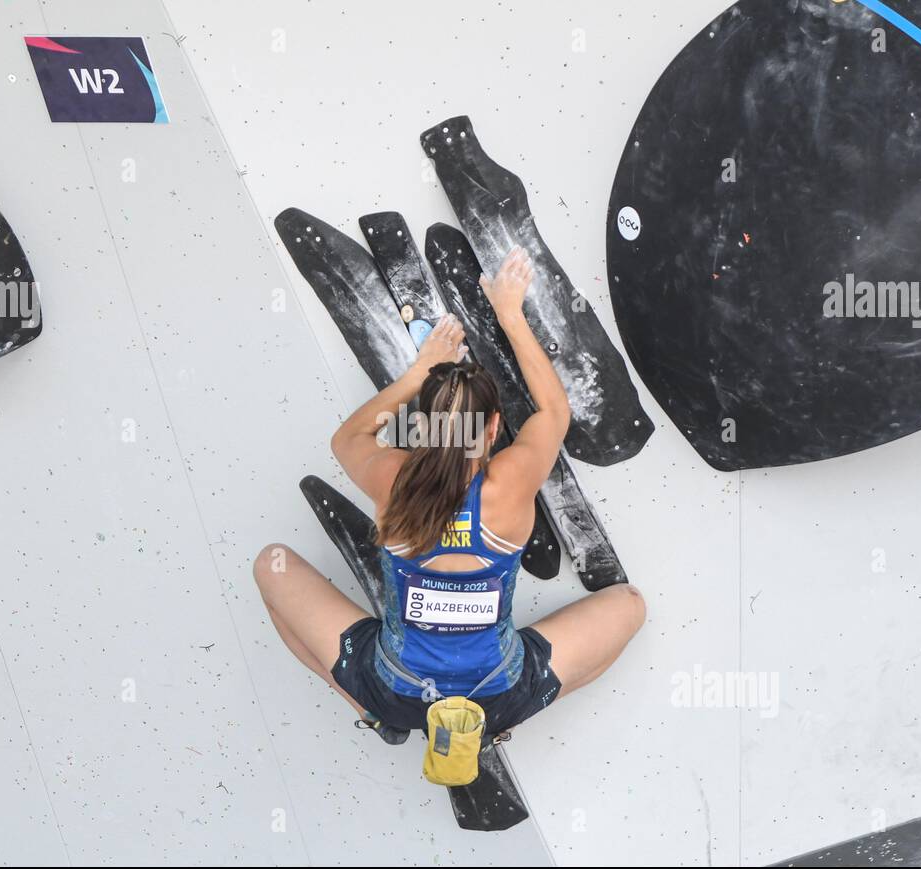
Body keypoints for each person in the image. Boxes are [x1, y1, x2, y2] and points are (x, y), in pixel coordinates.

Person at [254, 247, 646, 739]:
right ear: (494, 429)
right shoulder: (508, 484)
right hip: (495, 696)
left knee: (270, 563)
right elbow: (553, 413)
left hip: (395, 691)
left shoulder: (394, 481)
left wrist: (418, 374)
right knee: (630, 605)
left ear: (419, 427)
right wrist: (509, 313)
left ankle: (367, 708)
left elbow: (347, 440)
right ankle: (484, 729)